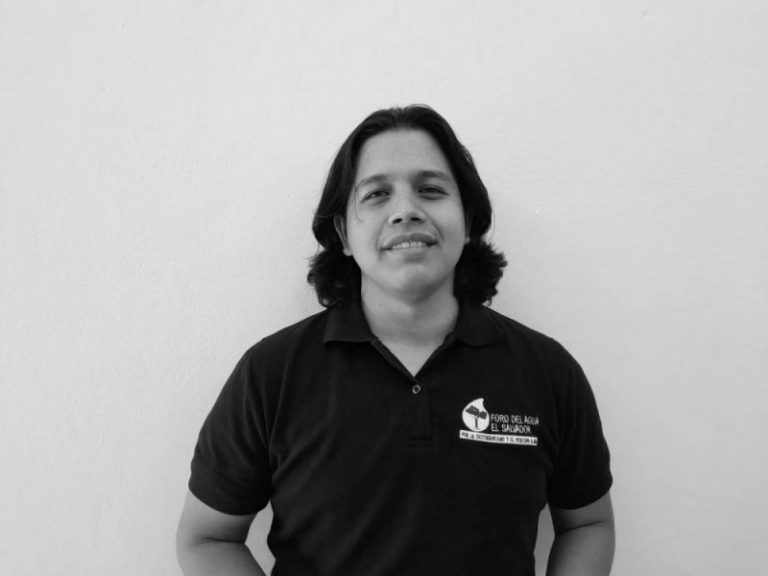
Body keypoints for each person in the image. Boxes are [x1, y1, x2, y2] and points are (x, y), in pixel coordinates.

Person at [176, 105, 614, 575]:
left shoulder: (547, 370)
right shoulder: (271, 374)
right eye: (377, 194)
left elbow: (588, 523)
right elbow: (207, 538)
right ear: (343, 234)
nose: (406, 210)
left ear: (468, 221)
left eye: (431, 190)